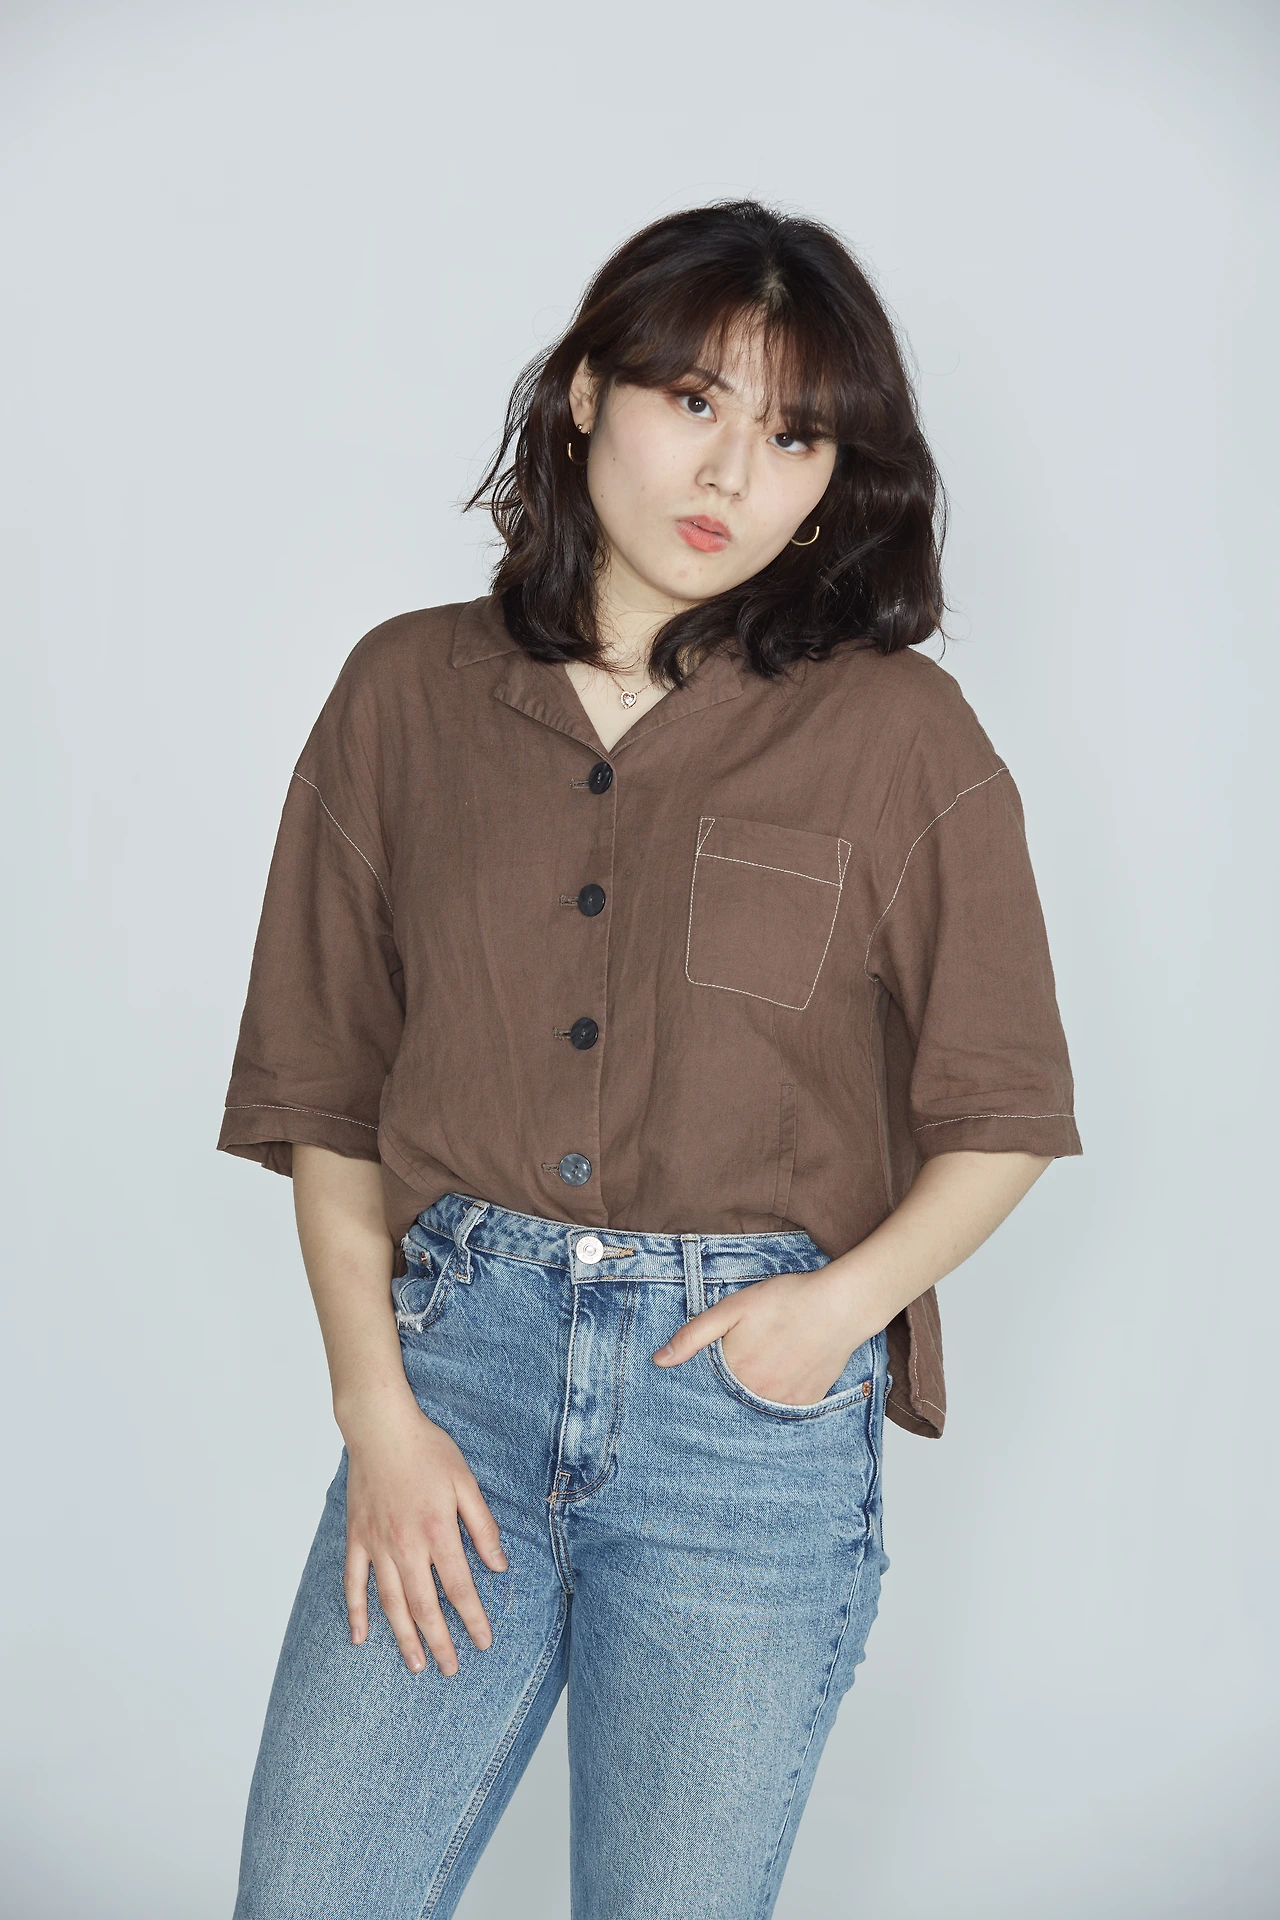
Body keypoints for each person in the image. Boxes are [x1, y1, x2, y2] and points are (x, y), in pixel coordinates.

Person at [217, 199, 1080, 1920]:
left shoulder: (897, 733)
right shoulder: (404, 694)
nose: (731, 474)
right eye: (694, 401)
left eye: (795, 435)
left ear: (833, 480)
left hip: (738, 1428)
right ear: (586, 394)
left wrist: (834, 1315)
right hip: (455, 1388)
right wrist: (376, 1411)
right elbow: (325, 1092)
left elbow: (1004, 1108)